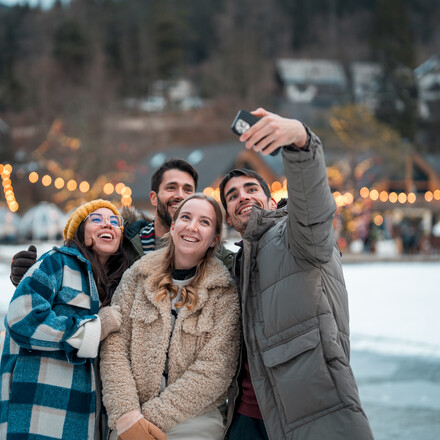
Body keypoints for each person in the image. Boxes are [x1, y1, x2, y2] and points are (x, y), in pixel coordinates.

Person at [219, 108, 374, 440]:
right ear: (229, 218)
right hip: (246, 418)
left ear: (272, 202)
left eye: (249, 189)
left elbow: (314, 208)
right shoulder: (238, 263)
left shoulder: (296, 236)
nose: (241, 196)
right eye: (232, 196)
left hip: (311, 413)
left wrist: (301, 145)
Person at [99, 194, 240, 440]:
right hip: (130, 417)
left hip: (196, 420)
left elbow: (216, 369)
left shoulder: (224, 291)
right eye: (185, 217)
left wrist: (149, 419)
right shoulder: (138, 276)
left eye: (204, 222)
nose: (192, 227)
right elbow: (114, 348)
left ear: (214, 239)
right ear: (173, 227)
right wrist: (127, 417)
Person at [0, 199, 129, 439]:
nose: (108, 225)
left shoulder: (118, 283)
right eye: (97, 220)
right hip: (40, 410)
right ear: (79, 230)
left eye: (114, 222)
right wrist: (92, 330)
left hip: (85, 415)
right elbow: (22, 316)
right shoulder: (57, 262)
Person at [10, 159, 234, 283]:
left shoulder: (215, 253)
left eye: (188, 190)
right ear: (154, 198)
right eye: (171, 188)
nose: (180, 195)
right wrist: (31, 274)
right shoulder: (123, 242)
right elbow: (79, 266)